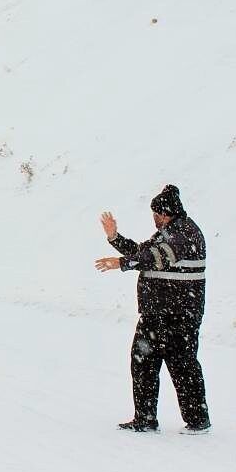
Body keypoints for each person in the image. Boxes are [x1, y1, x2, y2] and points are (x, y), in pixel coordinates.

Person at [95, 185, 211, 434]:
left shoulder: (185, 234)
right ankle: (145, 419)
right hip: (157, 314)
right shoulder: (168, 232)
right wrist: (115, 238)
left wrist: (122, 263)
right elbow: (143, 252)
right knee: (143, 363)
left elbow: (155, 257)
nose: (154, 218)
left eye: (156, 214)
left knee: (183, 367)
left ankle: (198, 421)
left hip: (179, 315)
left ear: (166, 212)